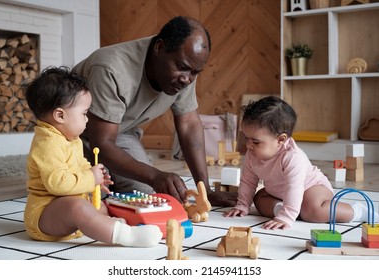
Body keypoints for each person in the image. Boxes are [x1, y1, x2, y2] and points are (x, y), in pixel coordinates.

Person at [72, 16, 237, 207]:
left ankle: (109, 182)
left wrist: (205, 190)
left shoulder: (185, 69)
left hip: (119, 132)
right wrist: (155, 175)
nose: (187, 79)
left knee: (146, 194)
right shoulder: (111, 68)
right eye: (182, 68)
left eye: (194, 72)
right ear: (159, 48)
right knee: (83, 199)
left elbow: (189, 125)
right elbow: (101, 143)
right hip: (74, 137)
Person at [23, 66, 162, 247]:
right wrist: (90, 177)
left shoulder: (71, 139)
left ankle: (113, 226)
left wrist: (96, 178)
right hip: (44, 215)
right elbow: (58, 184)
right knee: (78, 208)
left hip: (67, 207)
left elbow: (80, 167)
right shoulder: (47, 144)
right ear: (60, 115)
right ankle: (126, 236)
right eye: (84, 114)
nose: (87, 119)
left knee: (101, 206)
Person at [223, 96, 378, 229]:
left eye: (255, 142)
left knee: (312, 212)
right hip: (280, 193)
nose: (249, 145)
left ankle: (357, 211)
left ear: (281, 140)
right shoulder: (252, 154)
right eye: (246, 138)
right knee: (258, 198)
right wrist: (242, 205)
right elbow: (248, 181)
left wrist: (287, 217)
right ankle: (286, 209)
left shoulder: (292, 157)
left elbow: (294, 186)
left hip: (311, 188)